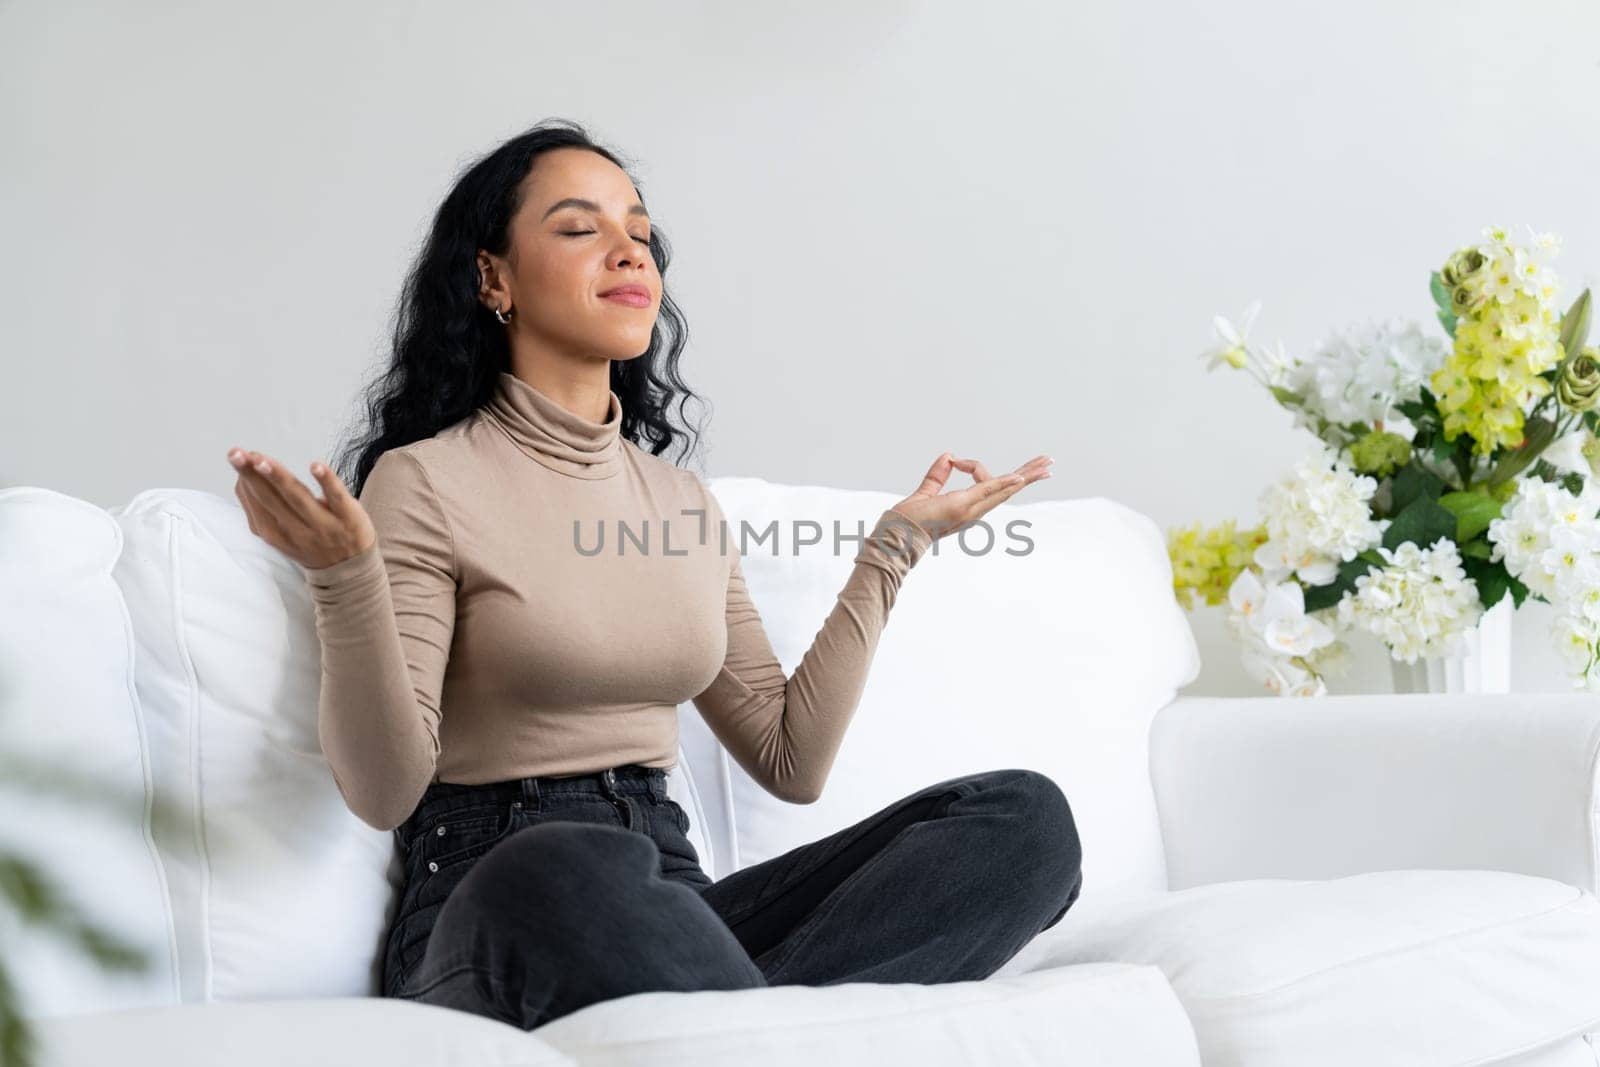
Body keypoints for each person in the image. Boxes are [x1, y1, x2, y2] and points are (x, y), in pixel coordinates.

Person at [224, 118, 1080, 1032]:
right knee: (567, 867)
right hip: (499, 898)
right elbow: (385, 789)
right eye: (579, 226)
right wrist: (344, 576)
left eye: (639, 229)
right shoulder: (425, 479)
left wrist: (893, 548)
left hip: (674, 908)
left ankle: (723, 1029)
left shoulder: (681, 503)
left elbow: (791, 761)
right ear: (493, 278)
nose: (629, 248)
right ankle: (763, 1029)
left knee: (1023, 823)